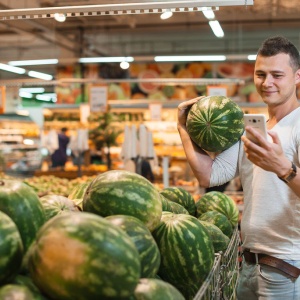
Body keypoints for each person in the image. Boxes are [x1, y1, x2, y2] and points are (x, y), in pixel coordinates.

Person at [177, 36, 300, 299]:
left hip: (287, 268)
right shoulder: (254, 128)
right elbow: (209, 175)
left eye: (277, 75)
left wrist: (283, 168)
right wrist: (183, 129)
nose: (267, 83)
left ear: (297, 76)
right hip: (249, 263)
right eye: (260, 74)